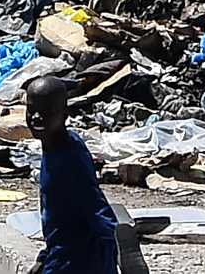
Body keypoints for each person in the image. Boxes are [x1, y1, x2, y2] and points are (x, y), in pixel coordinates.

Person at [27, 69, 124, 274]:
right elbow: (63, 215)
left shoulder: (68, 157)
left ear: (64, 115)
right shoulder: (55, 145)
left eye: (46, 111)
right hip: (61, 254)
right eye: (31, 110)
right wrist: (43, 257)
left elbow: (94, 205)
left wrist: (122, 244)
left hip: (78, 262)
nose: (36, 117)